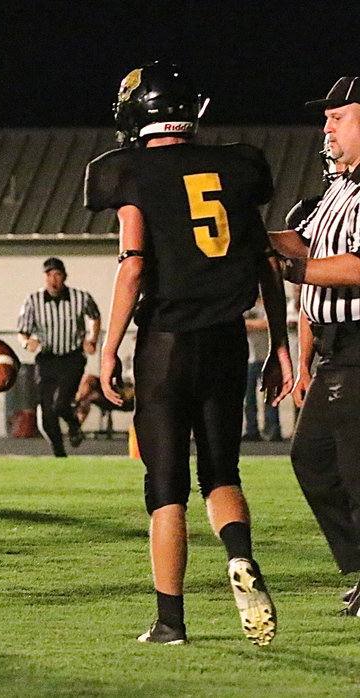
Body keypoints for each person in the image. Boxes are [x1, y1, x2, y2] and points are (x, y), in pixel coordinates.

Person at [89, 62, 292, 646]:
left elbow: (133, 266)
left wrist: (108, 350)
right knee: (222, 471)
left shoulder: (128, 170)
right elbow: (266, 264)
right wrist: (280, 345)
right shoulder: (238, 165)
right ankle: (239, 555)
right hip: (228, 339)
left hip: (167, 344)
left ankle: (170, 622)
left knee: (166, 487)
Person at [270, 76, 360, 616]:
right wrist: (248, 236)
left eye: (339, 116)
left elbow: (353, 266)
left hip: (359, 345)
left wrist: (292, 268)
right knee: (313, 459)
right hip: (333, 349)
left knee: (352, 467)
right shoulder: (338, 188)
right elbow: (305, 252)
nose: (326, 127)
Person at [16, 257, 101, 457]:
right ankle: (59, 455)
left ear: (64, 277)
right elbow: (22, 331)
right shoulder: (33, 300)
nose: (53, 280)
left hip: (72, 357)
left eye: (57, 275)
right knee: (47, 413)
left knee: (61, 403)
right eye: (49, 275)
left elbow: (95, 316)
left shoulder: (80, 297)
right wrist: (27, 342)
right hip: (47, 358)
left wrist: (92, 339)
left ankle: (73, 424)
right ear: (44, 277)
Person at [242, 298, 282, 441]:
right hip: (249, 357)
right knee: (249, 398)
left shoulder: (266, 305)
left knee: (270, 396)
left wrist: (247, 324)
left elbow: (267, 323)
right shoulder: (243, 306)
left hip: (266, 356)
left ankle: (272, 428)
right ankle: (251, 429)